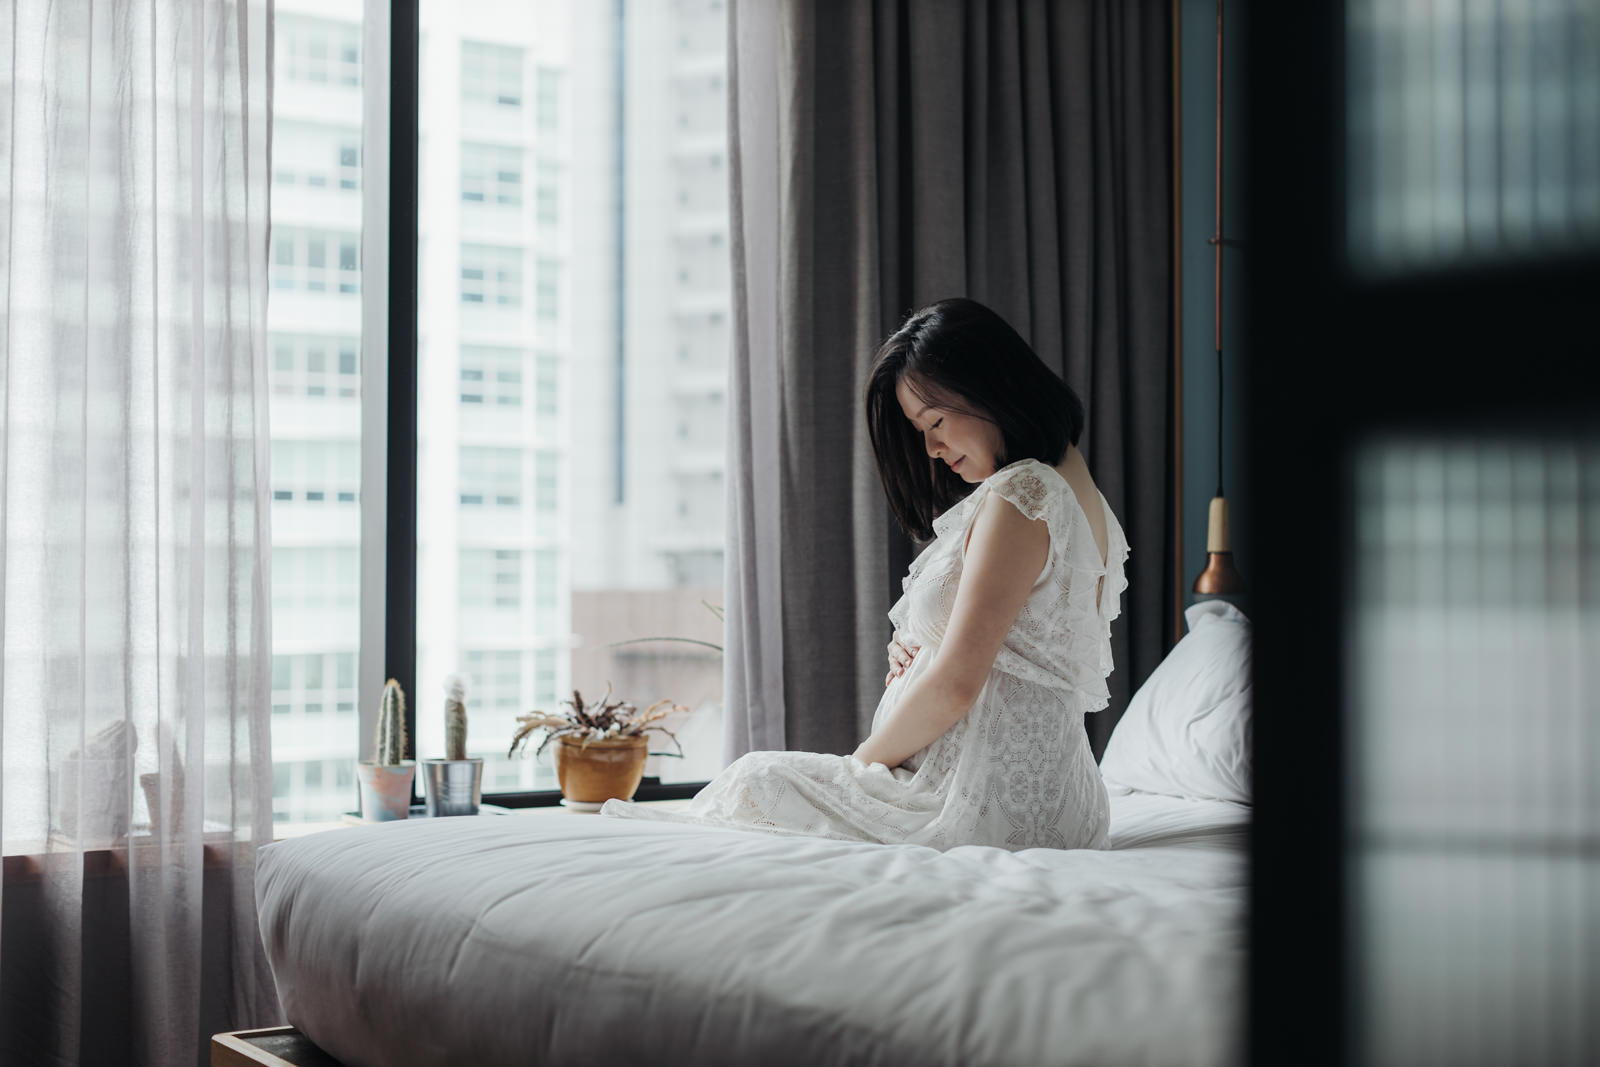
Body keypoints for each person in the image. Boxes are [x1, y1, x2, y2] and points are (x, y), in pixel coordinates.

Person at [603, 297, 1128, 851]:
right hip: (1046, 797)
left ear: (990, 387)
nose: (931, 448)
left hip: (982, 797)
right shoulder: (1076, 495)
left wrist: (858, 771)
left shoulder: (1025, 493)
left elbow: (956, 685)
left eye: (937, 421)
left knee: (753, 781)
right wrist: (921, 643)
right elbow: (1014, 647)